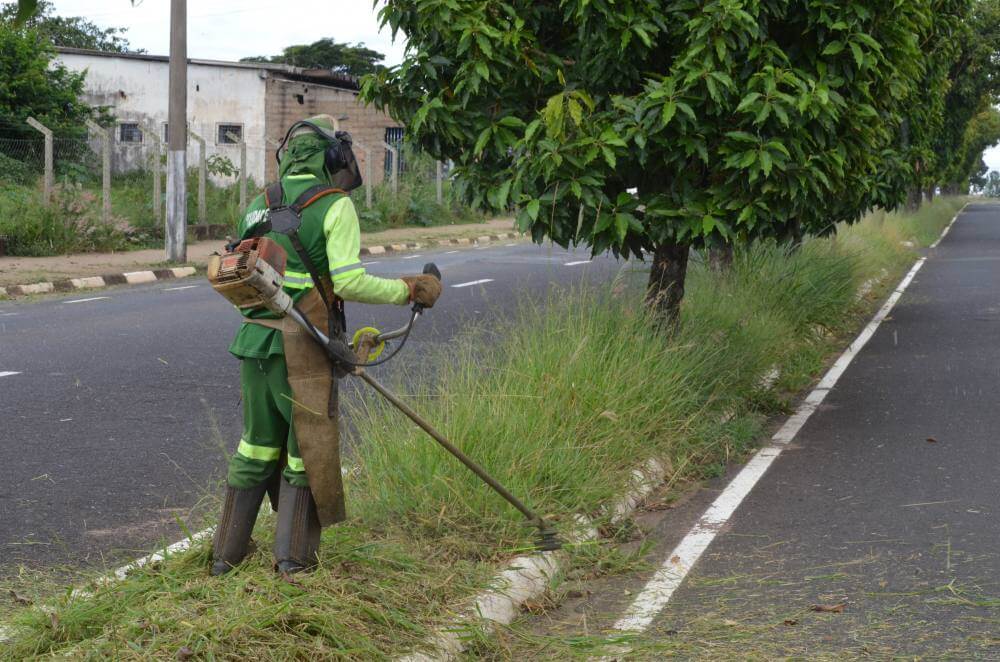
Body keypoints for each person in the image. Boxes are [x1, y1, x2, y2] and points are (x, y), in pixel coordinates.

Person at [210, 114, 442, 575]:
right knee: (305, 449)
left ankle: (223, 560)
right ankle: (294, 562)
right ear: (332, 157)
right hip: (303, 347)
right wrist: (407, 290)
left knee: (255, 445)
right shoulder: (334, 205)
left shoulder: (257, 204)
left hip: (254, 342)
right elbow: (349, 281)